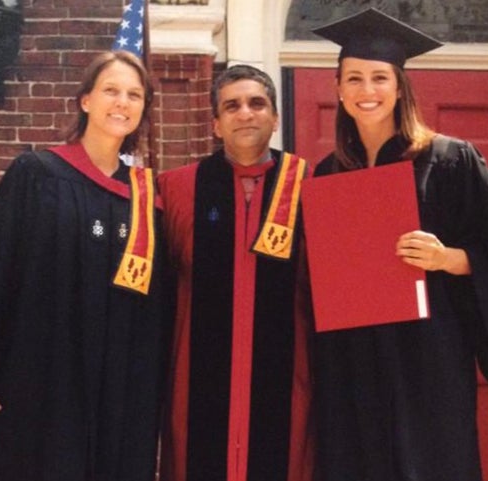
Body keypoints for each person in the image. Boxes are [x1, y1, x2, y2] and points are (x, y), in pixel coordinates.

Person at [309, 8, 488, 481]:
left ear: (399, 87)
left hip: (429, 359)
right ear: (338, 89)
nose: (366, 90)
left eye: (379, 77)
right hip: (356, 360)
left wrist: (447, 258)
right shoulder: (329, 174)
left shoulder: (450, 159)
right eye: (353, 78)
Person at [0, 50, 172, 481]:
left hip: (118, 394)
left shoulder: (148, 198)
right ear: (85, 100)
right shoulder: (37, 176)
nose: (122, 102)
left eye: (134, 95)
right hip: (40, 382)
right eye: (111, 91)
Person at [157, 64, 314, 481]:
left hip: (288, 387)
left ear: (276, 118)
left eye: (257, 103)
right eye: (232, 106)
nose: (245, 113)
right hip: (196, 388)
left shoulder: (312, 187)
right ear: (215, 124)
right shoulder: (175, 189)